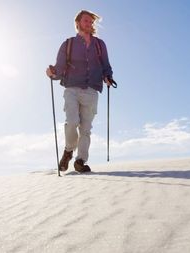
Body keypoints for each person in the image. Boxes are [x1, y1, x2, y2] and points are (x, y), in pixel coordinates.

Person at [46, 10, 114, 173]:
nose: (89, 24)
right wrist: (52, 72)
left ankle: (80, 161)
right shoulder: (68, 44)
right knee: (72, 122)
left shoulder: (99, 44)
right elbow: (60, 68)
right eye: (86, 21)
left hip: (92, 90)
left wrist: (108, 77)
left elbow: (106, 65)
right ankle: (69, 150)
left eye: (91, 22)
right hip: (72, 89)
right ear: (77, 23)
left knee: (86, 129)